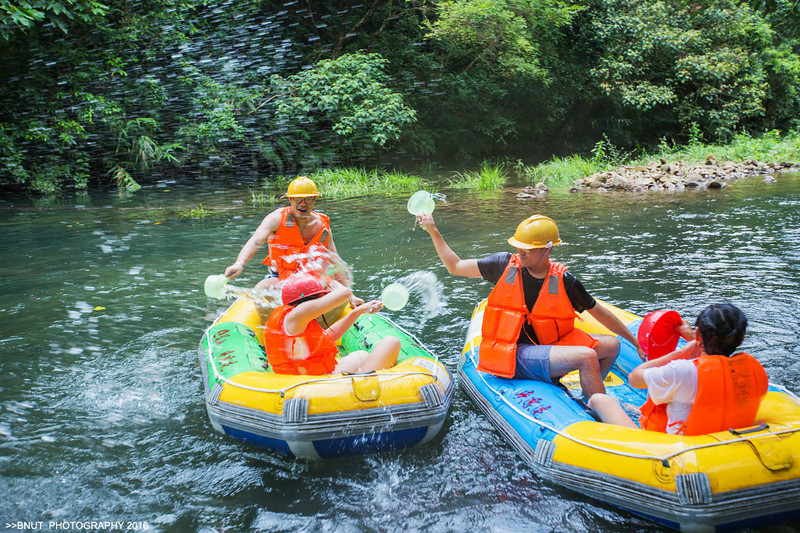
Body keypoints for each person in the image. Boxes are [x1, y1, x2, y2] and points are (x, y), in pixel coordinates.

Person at [417, 213, 644, 398]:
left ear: (548, 249)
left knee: (612, 345)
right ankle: (600, 410)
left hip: (547, 347)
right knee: (586, 356)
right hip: (514, 354)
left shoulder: (565, 281)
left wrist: (635, 342)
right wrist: (433, 230)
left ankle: (589, 397)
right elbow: (455, 266)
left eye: (528, 247)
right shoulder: (503, 264)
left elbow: (600, 313)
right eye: (519, 246)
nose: (521, 251)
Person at [588, 303, 769, 435]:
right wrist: (696, 341)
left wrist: (679, 353)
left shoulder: (683, 370)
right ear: (741, 340)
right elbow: (716, 379)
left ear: (698, 333)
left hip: (676, 448)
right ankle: (639, 411)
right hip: (725, 435)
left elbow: (635, 378)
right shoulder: (754, 368)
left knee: (598, 400)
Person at [263, 275, 400, 375]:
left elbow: (328, 337)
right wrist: (329, 280)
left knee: (361, 355)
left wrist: (358, 311)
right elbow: (345, 293)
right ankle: (363, 389)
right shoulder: (298, 314)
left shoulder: (291, 319)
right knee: (392, 342)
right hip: (314, 387)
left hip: (309, 381)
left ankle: (361, 381)